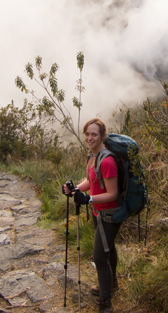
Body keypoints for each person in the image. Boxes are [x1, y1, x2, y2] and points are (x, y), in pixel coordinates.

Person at [63, 118, 119, 313]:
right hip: (98, 211)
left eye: (94, 134)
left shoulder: (108, 161)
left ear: (103, 136)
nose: (89, 137)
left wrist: (88, 200)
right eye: (87, 134)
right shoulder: (92, 156)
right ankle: (112, 284)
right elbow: (91, 179)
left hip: (109, 214)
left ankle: (106, 304)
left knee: (100, 257)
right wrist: (75, 189)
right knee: (108, 248)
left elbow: (112, 193)